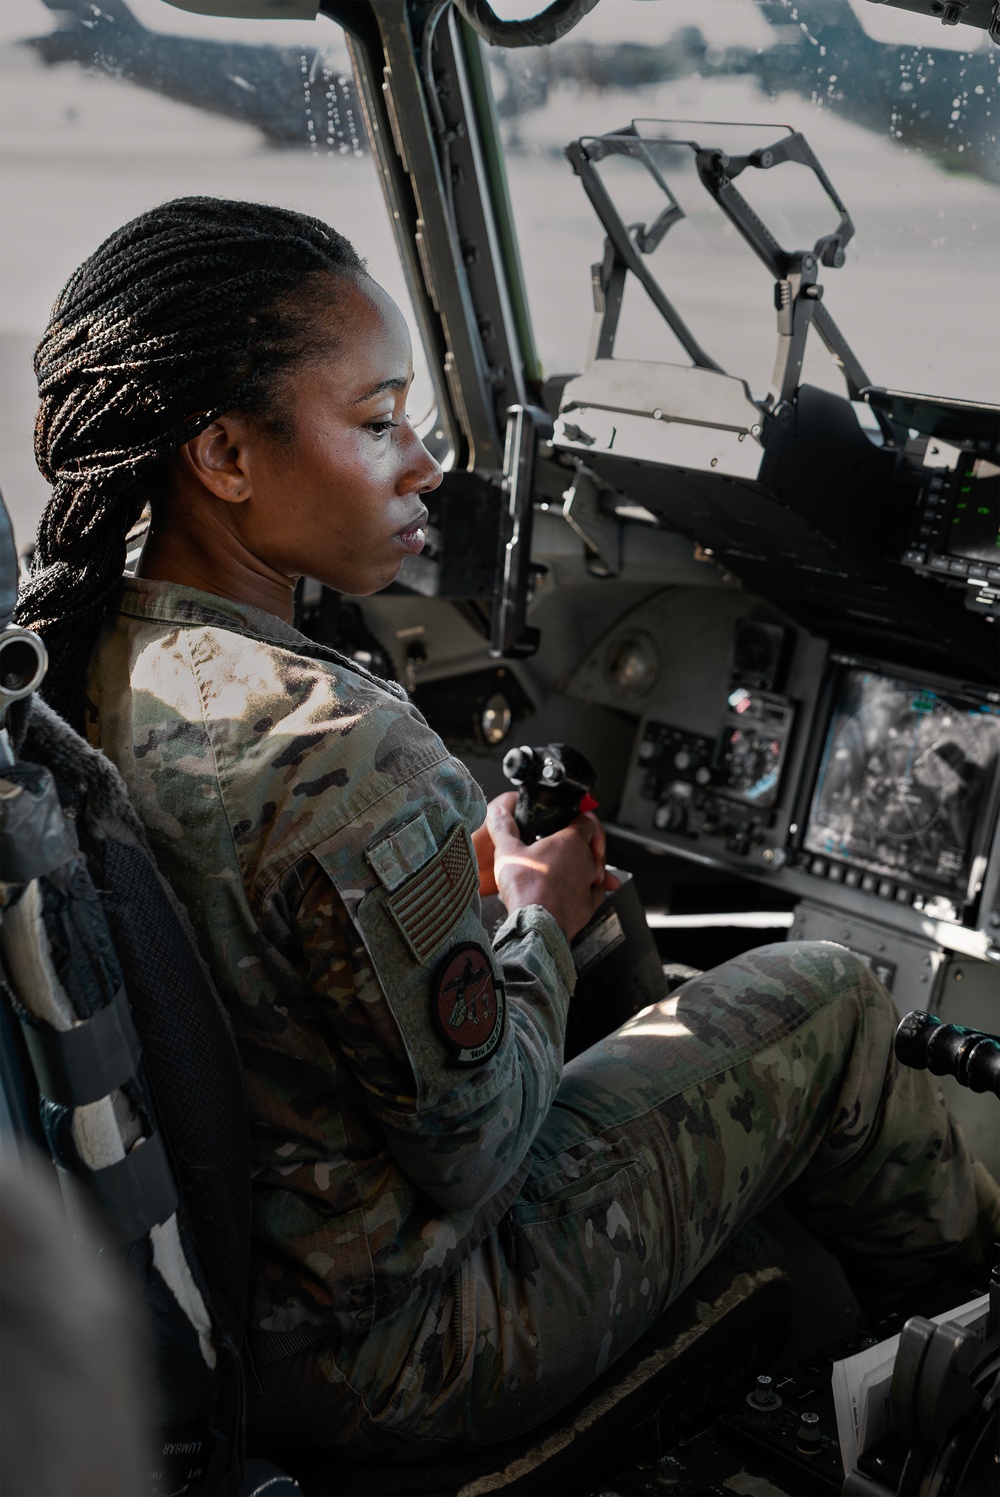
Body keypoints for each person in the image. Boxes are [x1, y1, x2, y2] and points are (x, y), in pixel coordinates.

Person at [16, 197, 998, 1461]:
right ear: (222, 456)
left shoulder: (66, 664)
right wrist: (540, 913)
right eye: (376, 424)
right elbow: (475, 1148)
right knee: (826, 1000)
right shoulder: (330, 747)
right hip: (400, 1349)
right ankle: (946, 1392)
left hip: (211, 1309)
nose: (424, 462)